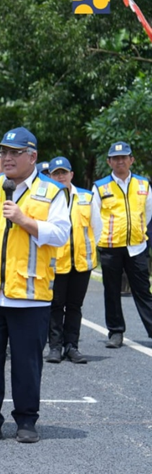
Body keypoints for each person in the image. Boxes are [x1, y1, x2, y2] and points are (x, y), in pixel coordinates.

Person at [0, 127, 69, 444]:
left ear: (32, 156)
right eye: (3, 153)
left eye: (14, 152)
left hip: (30, 294)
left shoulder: (52, 191)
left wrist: (25, 220)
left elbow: (62, 234)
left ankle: (26, 420)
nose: (6, 158)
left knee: (27, 362)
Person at [90, 141, 152, 348]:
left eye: (124, 157)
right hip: (110, 247)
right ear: (109, 162)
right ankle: (116, 332)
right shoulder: (100, 187)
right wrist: (100, 242)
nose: (120, 161)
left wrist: (140, 233)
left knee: (143, 290)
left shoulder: (143, 184)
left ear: (131, 160)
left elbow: (148, 213)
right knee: (112, 291)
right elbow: (94, 217)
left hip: (137, 246)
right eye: (115, 158)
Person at [46, 156, 94, 364]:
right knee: (56, 306)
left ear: (71, 175)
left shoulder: (87, 197)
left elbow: (97, 228)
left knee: (75, 306)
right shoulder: (46, 198)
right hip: (57, 262)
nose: (60, 176)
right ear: (50, 176)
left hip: (81, 262)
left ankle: (72, 346)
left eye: (63, 173)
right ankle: (55, 347)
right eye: (56, 173)